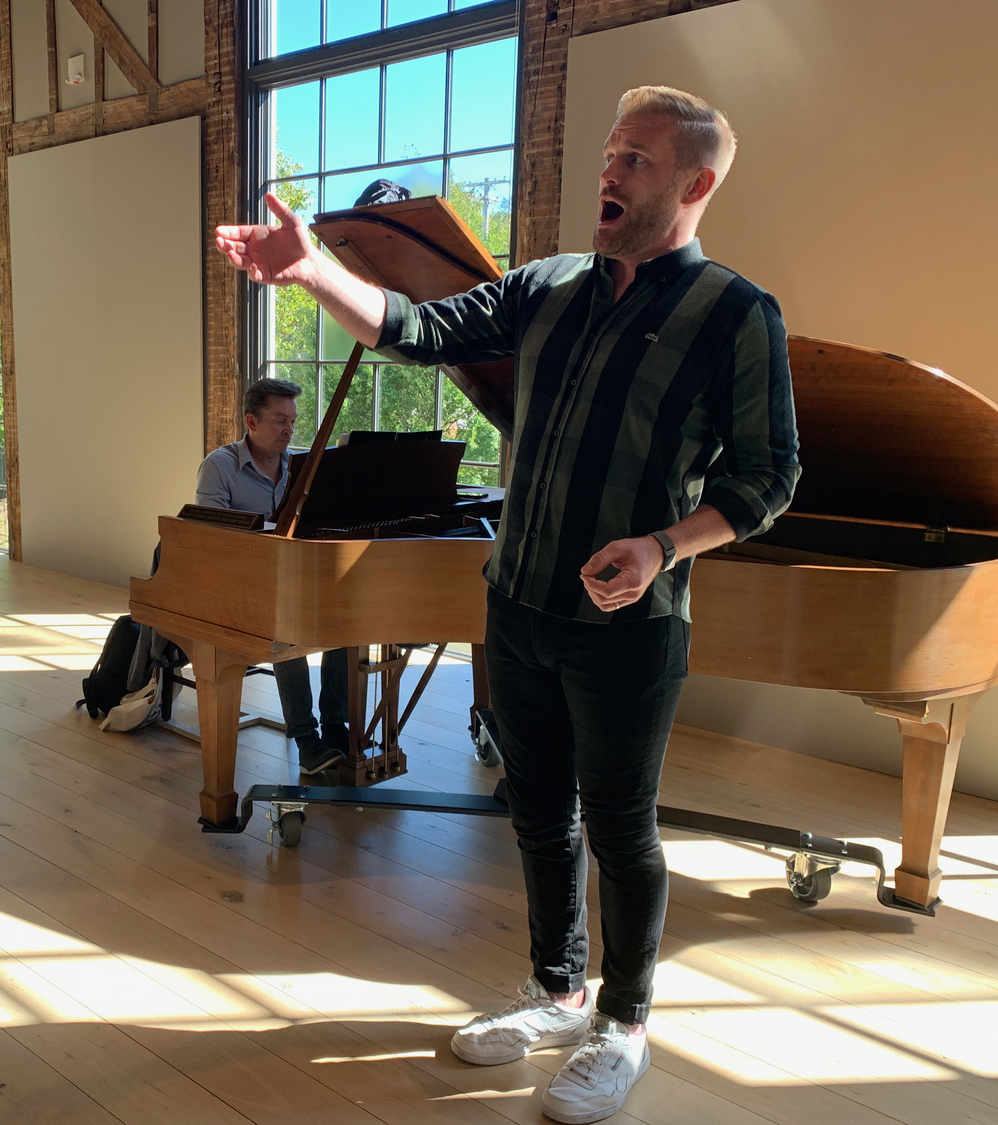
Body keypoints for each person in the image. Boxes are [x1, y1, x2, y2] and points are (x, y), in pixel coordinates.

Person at [214, 86, 799, 1123]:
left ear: (697, 185)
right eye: (611, 153)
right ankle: (557, 989)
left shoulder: (735, 315)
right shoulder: (550, 285)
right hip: (517, 605)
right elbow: (411, 328)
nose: (611, 173)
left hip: (629, 629)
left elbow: (766, 481)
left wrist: (665, 545)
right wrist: (309, 268)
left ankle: (623, 1022)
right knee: (538, 814)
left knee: (621, 828)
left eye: (640, 162)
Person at [195, 378, 351, 775]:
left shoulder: (301, 468)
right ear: (251, 421)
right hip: (237, 588)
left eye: (293, 422)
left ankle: (336, 727)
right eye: (280, 420)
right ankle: (306, 740)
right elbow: (210, 542)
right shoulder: (219, 466)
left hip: (289, 581)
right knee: (285, 627)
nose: (289, 430)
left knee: (347, 620)